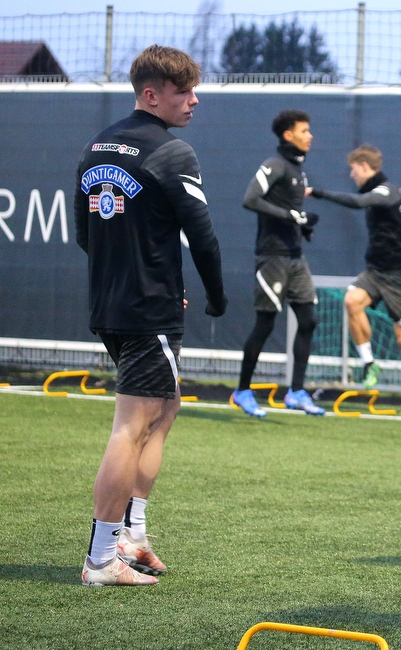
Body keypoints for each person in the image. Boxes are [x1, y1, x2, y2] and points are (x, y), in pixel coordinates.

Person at [73, 45, 227, 586]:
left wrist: (130, 278)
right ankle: (100, 559)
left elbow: (83, 235)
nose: (194, 100)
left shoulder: (96, 148)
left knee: (164, 412)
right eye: (184, 92)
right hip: (148, 310)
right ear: (151, 95)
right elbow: (202, 237)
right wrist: (216, 295)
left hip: (112, 305)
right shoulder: (171, 151)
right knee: (133, 426)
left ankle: (133, 537)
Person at [308, 145, 401, 417]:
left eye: (353, 169)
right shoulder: (376, 191)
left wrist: (317, 192)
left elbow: (359, 202)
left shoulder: (388, 190)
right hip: (375, 270)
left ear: (363, 166)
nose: (351, 175)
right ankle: (369, 363)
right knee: (352, 301)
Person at [232, 110, 325, 418]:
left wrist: (303, 226)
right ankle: (242, 390)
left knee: (309, 320)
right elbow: (251, 199)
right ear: (288, 135)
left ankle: (296, 392)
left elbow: (290, 210)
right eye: (304, 130)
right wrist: (294, 217)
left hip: (295, 256)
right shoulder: (275, 164)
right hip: (271, 257)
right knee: (266, 323)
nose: (310, 135)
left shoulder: (299, 170)